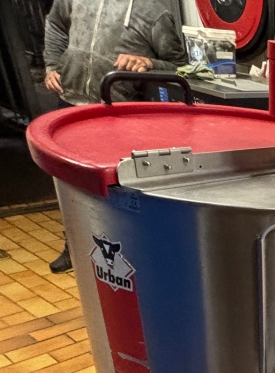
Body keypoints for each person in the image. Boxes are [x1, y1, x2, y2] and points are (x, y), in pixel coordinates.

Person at [42, 0, 188, 272]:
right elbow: (55, 23)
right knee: (69, 183)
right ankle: (73, 246)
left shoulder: (153, 11)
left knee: (116, 189)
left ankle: (126, 250)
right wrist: (52, 65)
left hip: (117, 115)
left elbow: (179, 66)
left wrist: (148, 62)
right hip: (70, 104)